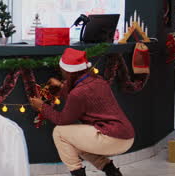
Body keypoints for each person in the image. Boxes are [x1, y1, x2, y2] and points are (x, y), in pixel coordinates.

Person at [29, 48, 135, 176]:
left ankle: (78, 174)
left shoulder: (78, 93)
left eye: (62, 70)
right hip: (127, 136)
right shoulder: (98, 80)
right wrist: (61, 88)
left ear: (69, 72)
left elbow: (62, 120)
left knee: (59, 132)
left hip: (112, 137)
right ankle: (112, 172)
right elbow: (82, 95)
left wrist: (42, 107)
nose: (61, 73)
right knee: (76, 141)